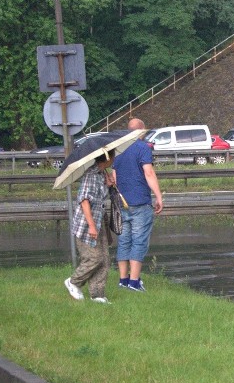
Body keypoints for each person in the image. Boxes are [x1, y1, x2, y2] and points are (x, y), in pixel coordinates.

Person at [112, 118, 163, 292]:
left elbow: (114, 177)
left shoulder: (118, 149)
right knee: (139, 241)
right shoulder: (143, 148)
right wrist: (158, 196)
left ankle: (123, 280)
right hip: (140, 202)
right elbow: (148, 173)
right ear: (141, 131)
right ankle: (134, 283)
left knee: (124, 240)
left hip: (121, 202)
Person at [64, 151, 116, 303]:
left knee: (104, 259)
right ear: (107, 158)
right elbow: (84, 200)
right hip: (87, 225)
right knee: (94, 257)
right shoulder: (91, 175)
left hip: (99, 221)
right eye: (112, 156)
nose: (114, 159)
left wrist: (108, 185)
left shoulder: (100, 174)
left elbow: (99, 197)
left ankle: (97, 295)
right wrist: (92, 226)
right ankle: (73, 282)